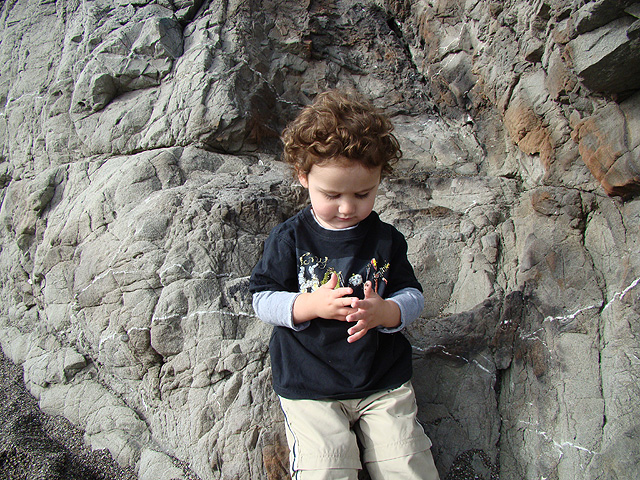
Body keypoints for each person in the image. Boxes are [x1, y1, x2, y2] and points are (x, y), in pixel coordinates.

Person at [249, 90, 440, 480]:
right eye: (331, 194)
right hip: (310, 382)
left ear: (379, 178)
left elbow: (413, 295)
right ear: (303, 177)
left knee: (406, 463)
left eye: (363, 194)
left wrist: (388, 312)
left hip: (381, 380)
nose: (348, 207)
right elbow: (262, 298)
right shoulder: (290, 238)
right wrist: (309, 305)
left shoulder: (386, 239)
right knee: (327, 467)